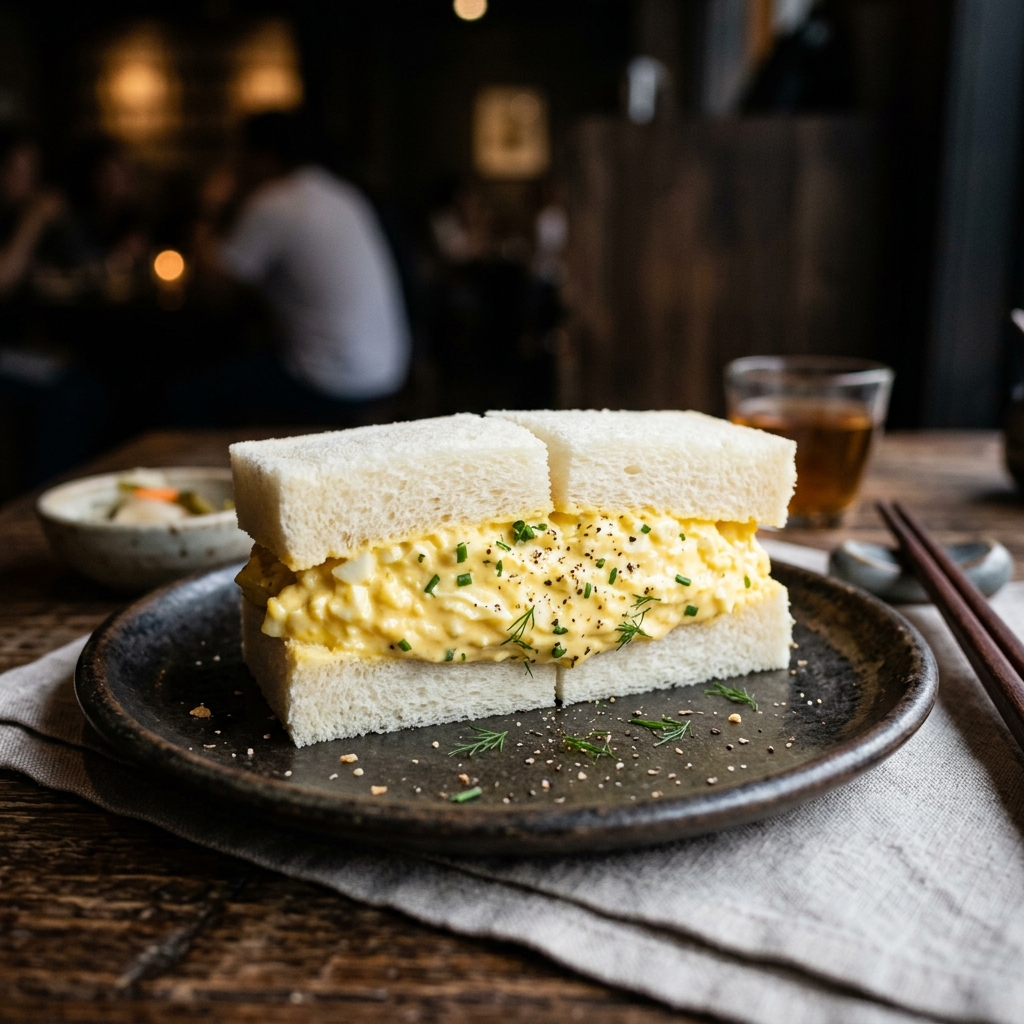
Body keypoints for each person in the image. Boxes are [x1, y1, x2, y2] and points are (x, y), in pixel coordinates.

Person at [178, 111, 411, 427]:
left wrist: (208, 208)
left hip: (332, 379)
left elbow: (212, 287)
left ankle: (205, 471)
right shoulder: (342, 193)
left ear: (261, 157)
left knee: (189, 396)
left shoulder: (273, 201)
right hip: (388, 370)